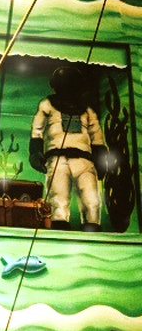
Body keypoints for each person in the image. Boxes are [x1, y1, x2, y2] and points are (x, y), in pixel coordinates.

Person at [29, 66, 107, 231]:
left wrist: (100, 160)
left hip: (84, 161)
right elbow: (37, 132)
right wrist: (36, 153)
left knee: (92, 200)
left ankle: (92, 227)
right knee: (58, 198)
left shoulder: (86, 111)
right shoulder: (47, 106)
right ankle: (59, 227)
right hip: (58, 159)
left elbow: (96, 138)